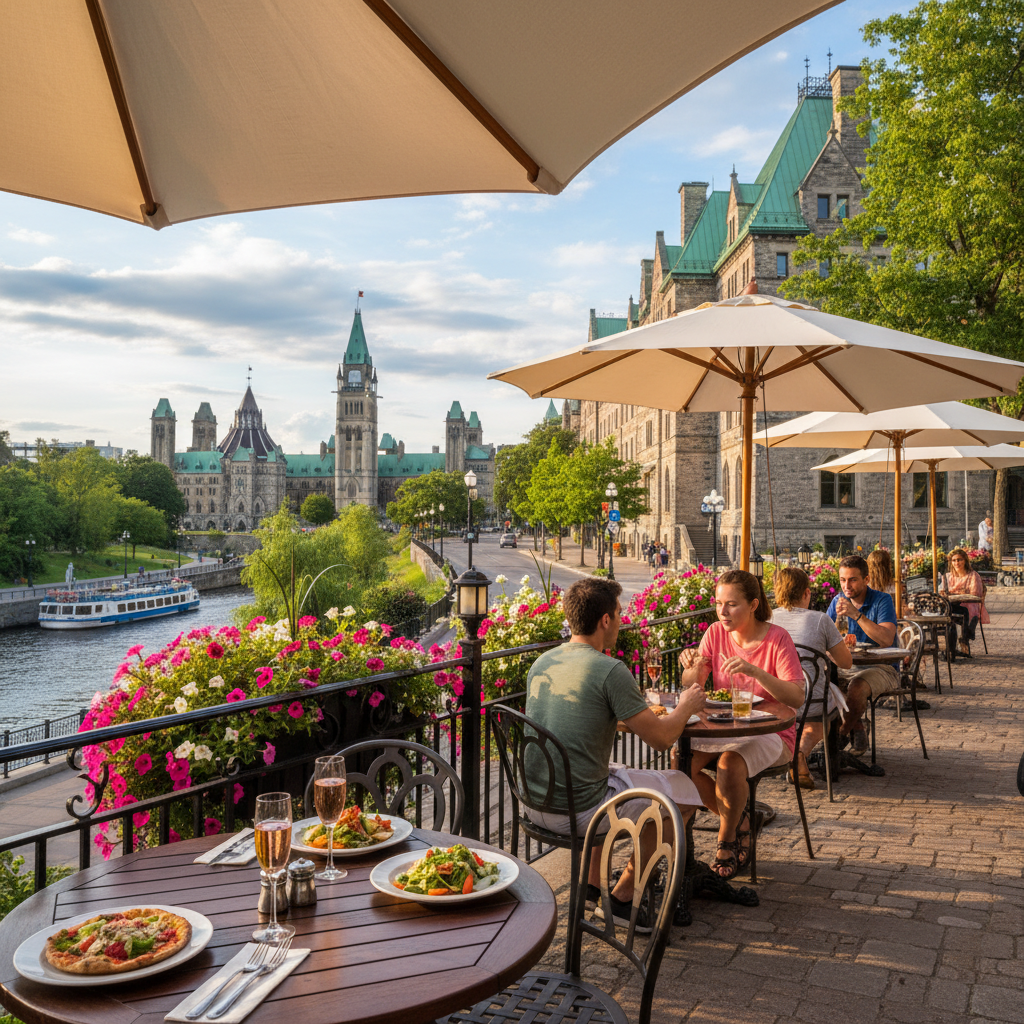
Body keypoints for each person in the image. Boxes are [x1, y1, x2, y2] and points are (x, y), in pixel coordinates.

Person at [525, 577, 705, 929]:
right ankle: (624, 900)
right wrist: (686, 705)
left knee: (621, 774)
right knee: (680, 799)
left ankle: (592, 888)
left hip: (534, 802)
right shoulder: (609, 669)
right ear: (604, 620)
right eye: (619, 614)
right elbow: (662, 739)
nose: (622, 622)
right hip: (577, 811)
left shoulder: (543, 662)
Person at [679, 569, 804, 879]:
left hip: (772, 732)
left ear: (753, 604)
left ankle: (726, 840)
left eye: (731, 604)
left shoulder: (777, 638)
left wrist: (756, 672)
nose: (723, 611)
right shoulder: (715, 633)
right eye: (719, 603)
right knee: (680, 763)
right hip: (724, 728)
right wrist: (692, 666)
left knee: (730, 764)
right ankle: (741, 822)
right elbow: (691, 686)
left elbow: (797, 696)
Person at [771, 567, 853, 789]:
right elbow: (846, 663)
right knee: (820, 719)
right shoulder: (820, 620)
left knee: (803, 713)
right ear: (806, 592)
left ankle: (789, 753)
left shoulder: (768, 619)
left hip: (775, 699)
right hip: (811, 701)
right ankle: (799, 753)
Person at [825, 555, 898, 754]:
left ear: (866, 579)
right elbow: (824, 637)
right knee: (821, 683)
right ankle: (858, 726)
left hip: (882, 667)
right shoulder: (837, 602)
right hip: (847, 665)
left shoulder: (882, 600)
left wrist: (856, 615)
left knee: (856, 686)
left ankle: (839, 736)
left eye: (852, 579)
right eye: (842, 580)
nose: (846, 585)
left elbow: (886, 639)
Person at [941, 547, 987, 657]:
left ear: (965, 560)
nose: (957, 563)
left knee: (967, 610)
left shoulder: (973, 575)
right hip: (953, 604)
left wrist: (955, 594)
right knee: (946, 610)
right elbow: (943, 592)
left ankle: (964, 637)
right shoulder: (947, 576)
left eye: (959, 560)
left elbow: (974, 594)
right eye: (954, 560)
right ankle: (952, 644)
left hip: (969, 603)